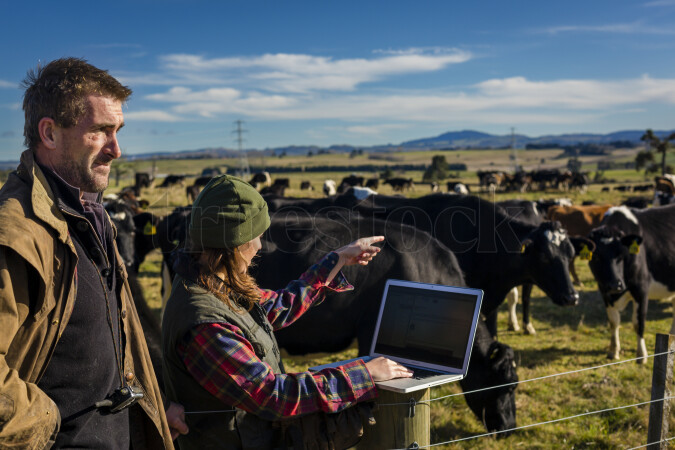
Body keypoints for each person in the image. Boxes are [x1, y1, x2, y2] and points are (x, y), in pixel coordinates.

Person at [0, 57, 187, 448]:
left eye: (117, 130)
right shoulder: (16, 236)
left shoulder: (90, 219)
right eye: (101, 131)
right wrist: (49, 425)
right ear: (49, 134)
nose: (116, 149)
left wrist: (154, 405)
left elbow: (113, 340)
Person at [162, 174, 413, 449]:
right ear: (231, 244)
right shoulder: (206, 326)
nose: (259, 247)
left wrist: (337, 260)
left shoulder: (206, 279)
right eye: (253, 238)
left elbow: (275, 306)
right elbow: (274, 395)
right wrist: (363, 375)